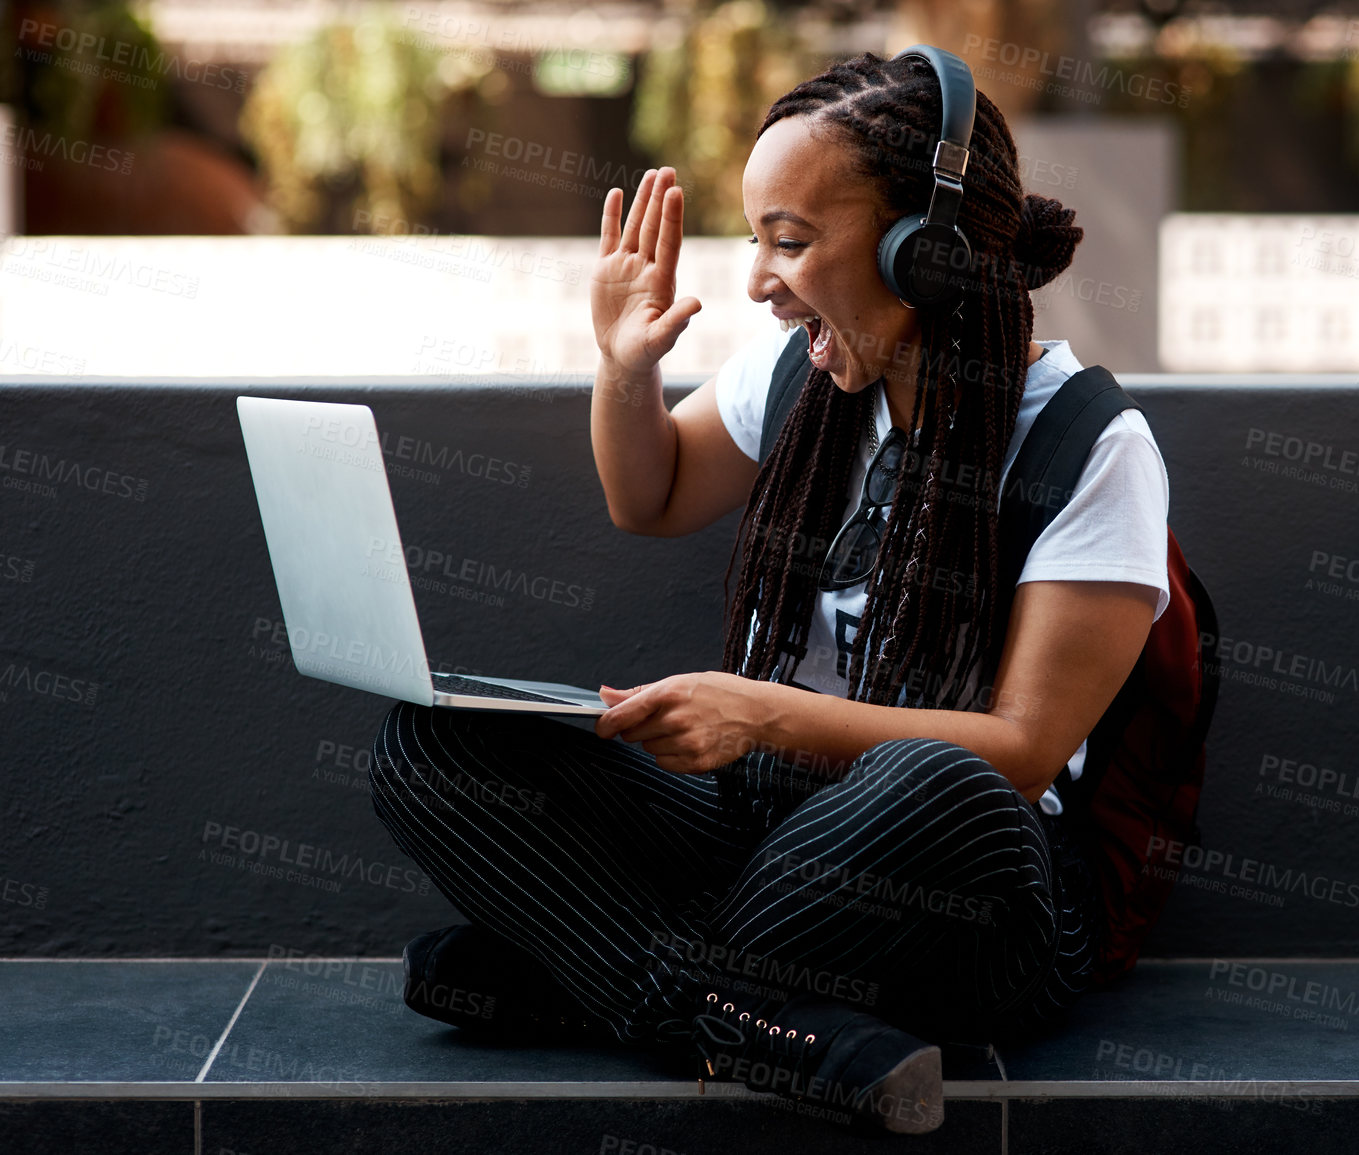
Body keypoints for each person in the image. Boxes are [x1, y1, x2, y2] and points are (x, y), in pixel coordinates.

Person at [369, 49, 1170, 1136]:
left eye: (790, 242)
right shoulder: (803, 370)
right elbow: (648, 494)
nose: (757, 280)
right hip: (767, 841)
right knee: (431, 747)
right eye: (759, 242)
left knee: (940, 787)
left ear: (924, 252)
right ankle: (769, 1026)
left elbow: (1025, 750)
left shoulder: (1091, 443)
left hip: (961, 891)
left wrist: (760, 716)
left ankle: (604, 984)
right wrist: (623, 363)